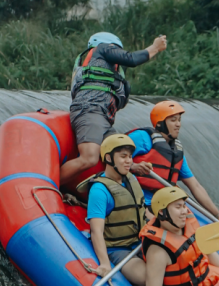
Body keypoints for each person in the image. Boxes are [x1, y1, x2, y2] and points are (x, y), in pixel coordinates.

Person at [61, 32, 167, 185]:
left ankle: (131, 171)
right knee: (89, 158)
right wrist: (155, 47)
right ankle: (50, 186)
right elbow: (131, 59)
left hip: (104, 118)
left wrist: (133, 166)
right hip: (90, 109)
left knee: (119, 154)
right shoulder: (103, 48)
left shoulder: (106, 67)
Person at [128, 101, 219, 218]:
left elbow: (195, 186)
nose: (178, 124)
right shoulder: (142, 137)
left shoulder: (175, 150)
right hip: (137, 200)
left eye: (179, 120)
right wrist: (133, 166)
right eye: (173, 120)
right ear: (160, 124)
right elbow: (113, 158)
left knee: (190, 223)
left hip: (165, 204)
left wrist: (218, 215)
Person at [80, 134, 147, 286]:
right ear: (109, 158)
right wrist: (104, 263)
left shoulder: (131, 179)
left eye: (130, 156)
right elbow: (96, 231)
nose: (129, 161)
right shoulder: (99, 190)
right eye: (123, 156)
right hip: (118, 249)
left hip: (140, 241)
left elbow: (142, 211)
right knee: (147, 278)